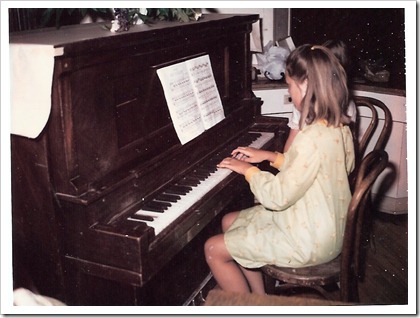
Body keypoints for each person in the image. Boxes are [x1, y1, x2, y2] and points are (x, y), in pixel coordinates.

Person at [204, 44, 355, 294]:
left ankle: (249, 309)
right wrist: (268, 156)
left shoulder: (310, 138)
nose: (288, 90)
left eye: (289, 85)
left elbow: (277, 197)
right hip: (327, 225)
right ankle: (261, 298)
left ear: (305, 85)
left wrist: (247, 170)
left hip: (308, 239)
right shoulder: (337, 127)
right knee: (229, 221)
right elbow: (313, 169)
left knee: (212, 248)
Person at [283, 39, 357, 152]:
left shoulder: (309, 138)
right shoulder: (302, 107)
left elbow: (294, 165)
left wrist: (250, 169)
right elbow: (289, 152)